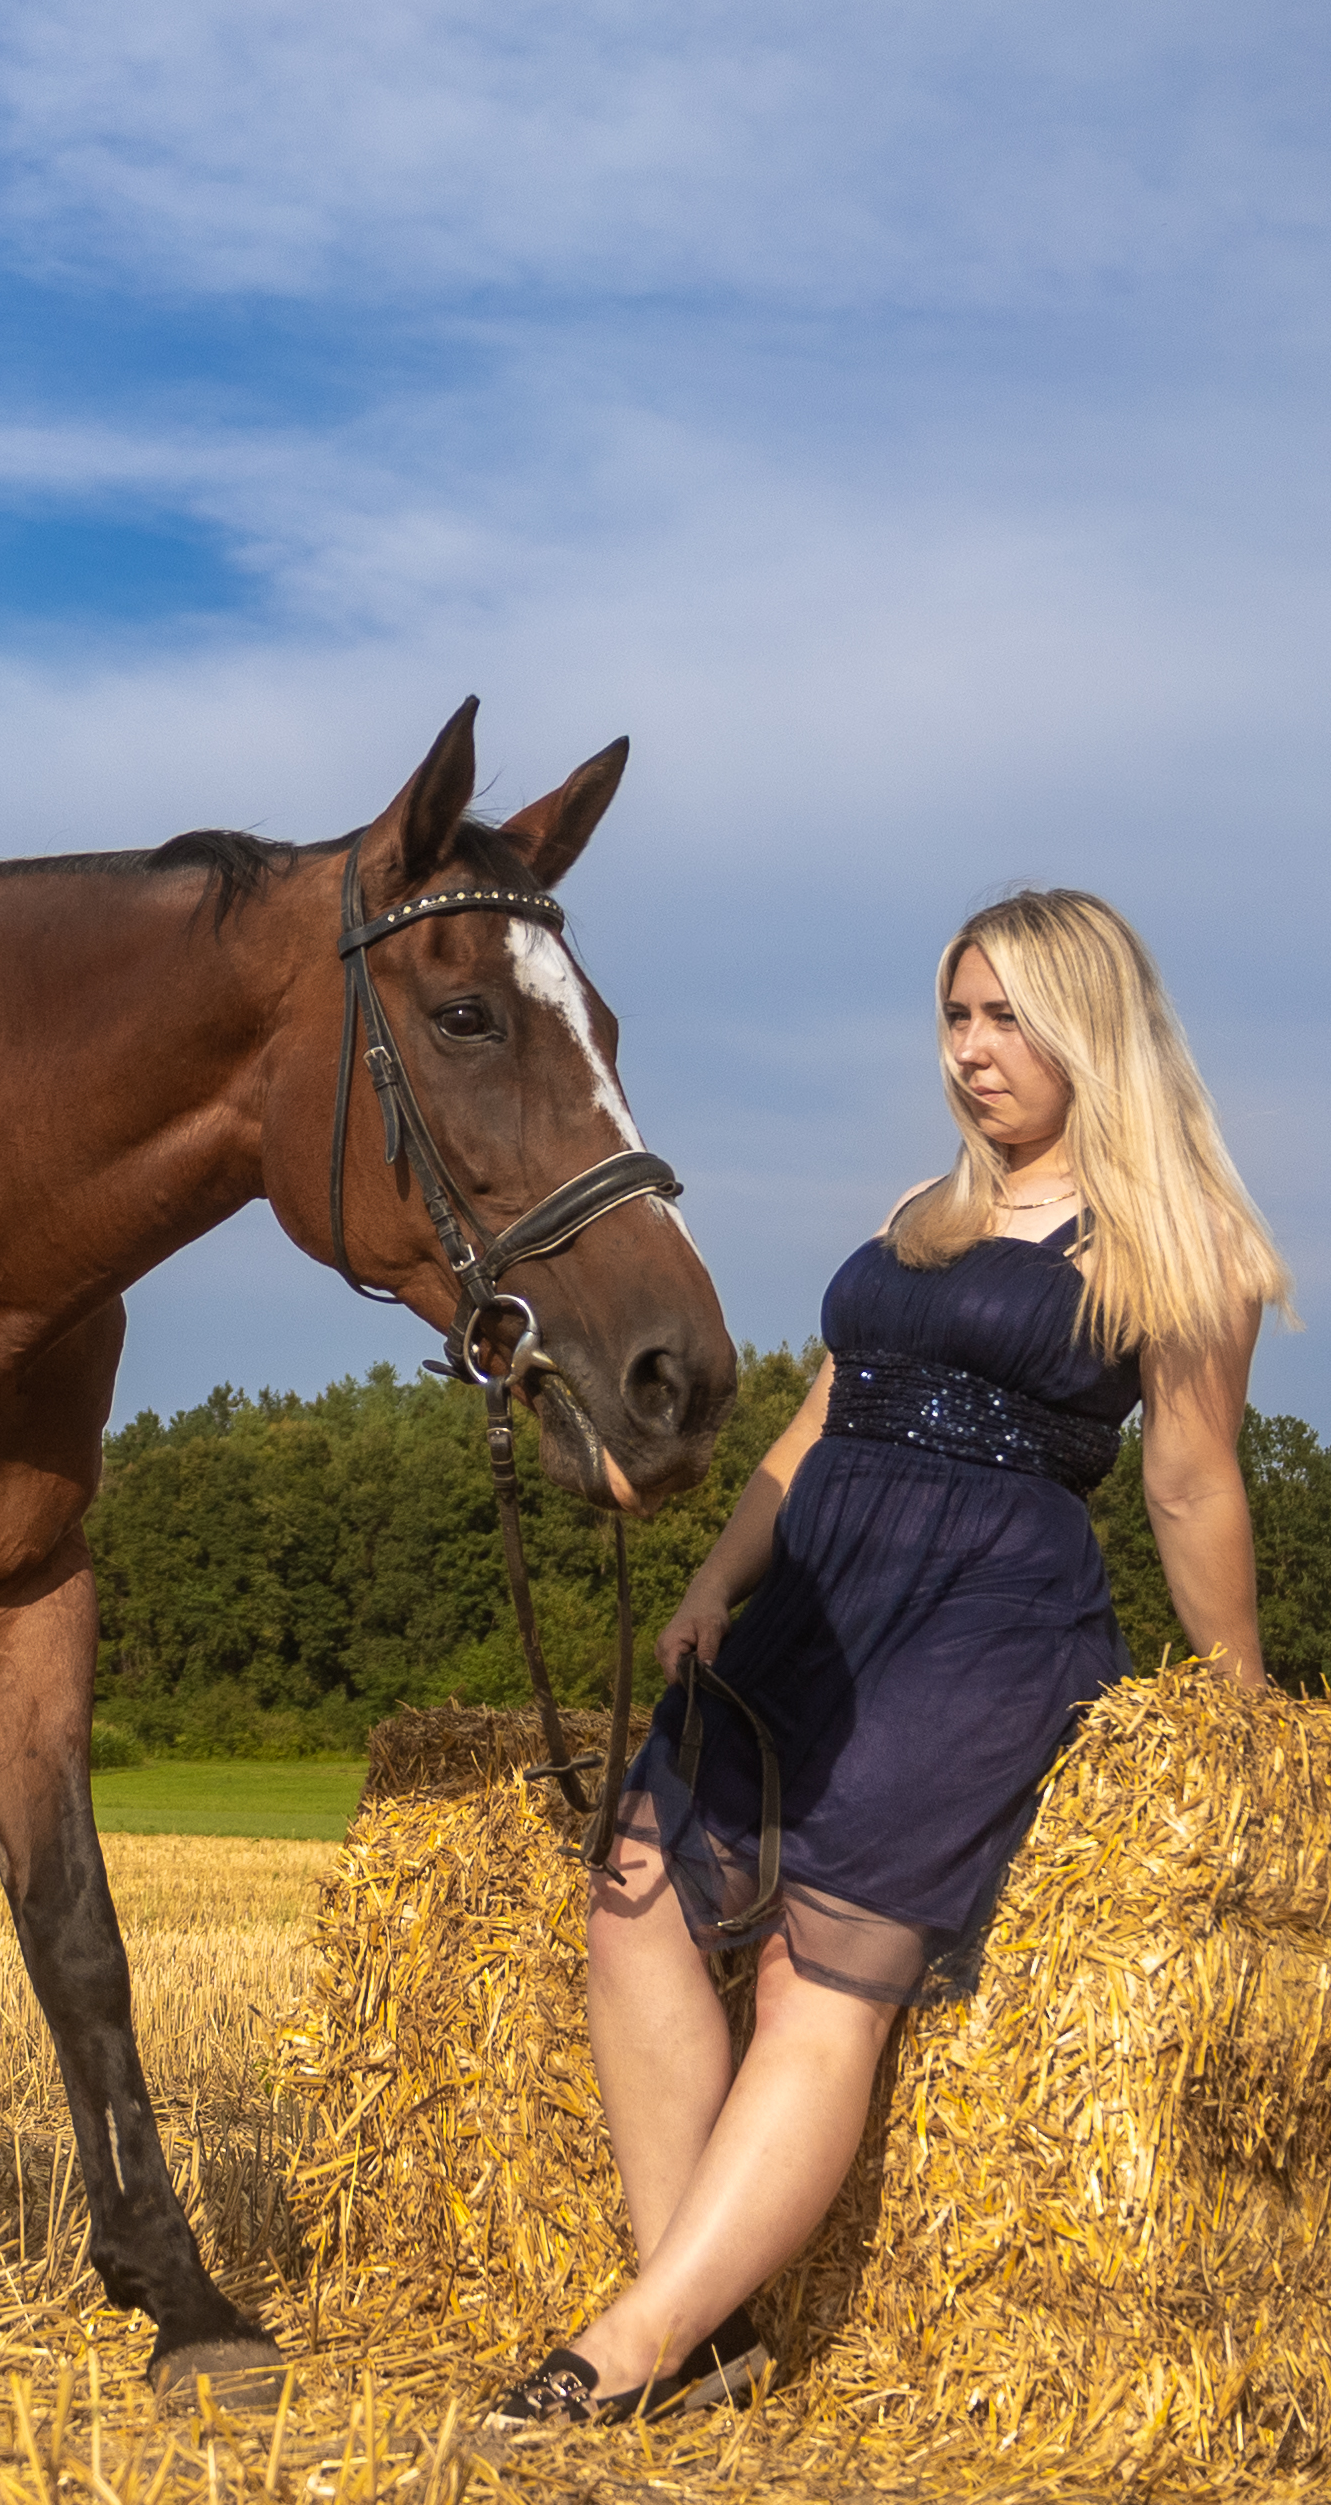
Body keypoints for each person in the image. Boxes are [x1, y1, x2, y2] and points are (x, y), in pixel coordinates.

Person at [490, 886, 1283, 2426]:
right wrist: (719, 1575)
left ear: (1091, 1030)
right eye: (957, 1016)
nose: (970, 1051)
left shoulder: (1180, 1241)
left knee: (820, 1974)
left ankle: (629, 2351)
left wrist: (1238, 1707)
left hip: (985, 1620)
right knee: (635, 1893)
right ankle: (702, 2326)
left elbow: (1192, 1484)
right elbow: (818, 1421)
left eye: (1006, 1019)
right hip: (815, 1602)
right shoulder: (924, 1213)